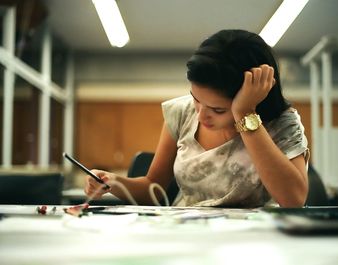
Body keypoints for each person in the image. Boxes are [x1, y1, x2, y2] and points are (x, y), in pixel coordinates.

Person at [85, 29, 309, 208]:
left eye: (218, 110)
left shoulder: (282, 123)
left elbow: (293, 200)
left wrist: (246, 115)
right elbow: (153, 189)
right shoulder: (182, 112)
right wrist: (112, 182)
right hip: (187, 232)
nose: (201, 115)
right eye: (196, 99)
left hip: (256, 240)